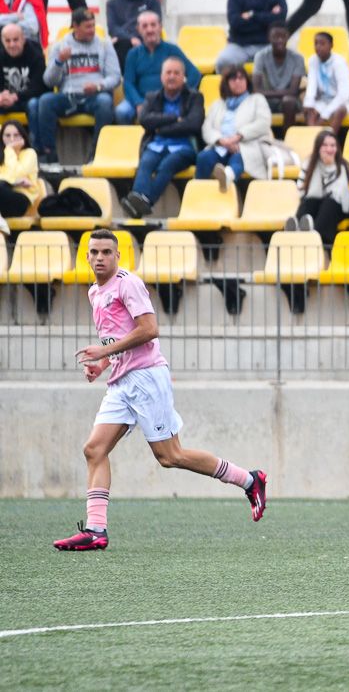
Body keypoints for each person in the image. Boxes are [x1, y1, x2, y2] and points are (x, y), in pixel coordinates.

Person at [54, 229, 268, 552]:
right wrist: (104, 362)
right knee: (94, 449)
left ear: (117, 256)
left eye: (106, 252)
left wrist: (101, 352)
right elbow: (119, 340)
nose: (99, 258)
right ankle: (96, 530)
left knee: (170, 456)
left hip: (147, 379)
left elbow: (149, 329)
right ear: (86, 257)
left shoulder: (129, 284)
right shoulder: (94, 293)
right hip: (121, 381)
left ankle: (250, 480)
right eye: (94, 252)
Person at [116, 57, 202, 219]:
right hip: (156, 145)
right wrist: (173, 118)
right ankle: (138, 199)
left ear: (183, 77)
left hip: (184, 147)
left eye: (176, 73)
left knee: (167, 164)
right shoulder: (152, 97)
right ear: (161, 76)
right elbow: (144, 119)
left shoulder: (194, 97)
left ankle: (145, 201)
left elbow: (193, 124)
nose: (171, 76)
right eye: (168, 72)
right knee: (146, 163)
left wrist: (160, 128)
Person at [34, 7, 117, 165]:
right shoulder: (60, 47)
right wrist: (59, 62)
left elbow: (115, 77)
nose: (92, 30)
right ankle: (50, 158)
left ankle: (97, 155)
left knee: (105, 102)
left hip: (94, 96)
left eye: (93, 25)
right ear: (75, 26)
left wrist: (99, 86)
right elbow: (49, 81)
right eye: (87, 27)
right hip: (69, 97)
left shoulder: (104, 45)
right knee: (45, 101)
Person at [197, 65, 285, 191]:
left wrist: (237, 137)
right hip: (221, 146)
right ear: (226, 83)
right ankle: (201, 195)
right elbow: (207, 128)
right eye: (233, 79)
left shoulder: (257, 100)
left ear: (246, 81)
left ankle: (228, 176)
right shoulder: (217, 104)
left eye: (241, 78)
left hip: (246, 145)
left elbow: (263, 123)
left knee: (238, 158)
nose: (238, 82)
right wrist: (222, 141)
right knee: (203, 157)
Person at [120, 12, 201, 125]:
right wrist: (138, 103)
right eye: (145, 26)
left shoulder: (172, 50)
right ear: (138, 29)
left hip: (167, 100)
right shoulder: (133, 54)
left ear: (160, 27)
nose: (149, 30)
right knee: (121, 112)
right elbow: (128, 83)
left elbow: (194, 74)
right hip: (141, 100)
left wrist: (180, 94)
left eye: (153, 25)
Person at [288, 129, 349, 249]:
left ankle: (315, 237)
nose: (329, 149)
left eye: (332, 145)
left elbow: (339, 194)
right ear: (318, 147)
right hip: (318, 202)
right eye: (325, 145)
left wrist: (331, 165)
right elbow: (304, 191)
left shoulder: (343, 166)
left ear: (337, 147)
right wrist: (319, 166)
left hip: (343, 204)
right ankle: (295, 230)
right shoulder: (309, 164)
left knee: (329, 203)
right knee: (309, 202)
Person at [218, 0, 288, 70]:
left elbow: (279, 23)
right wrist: (267, 17)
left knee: (283, 61)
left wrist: (252, 15)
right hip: (239, 46)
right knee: (224, 61)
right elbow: (235, 23)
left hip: (267, 46)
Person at [104, 0, 160, 67]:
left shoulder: (152, 1)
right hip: (123, 46)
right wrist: (131, 39)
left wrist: (135, 37)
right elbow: (112, 28)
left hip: (147, 43)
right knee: (119, 44)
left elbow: (156, 25)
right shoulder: (112, 3)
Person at [301, 30, 349, 136]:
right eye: (316, 43)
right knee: (309, 110)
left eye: (322, 44)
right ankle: (312, 138)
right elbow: (312, 85)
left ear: (331, 45)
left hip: (344, 102)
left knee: (340, 110)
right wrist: (309, 103)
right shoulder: (313, 60)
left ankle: (329, 139)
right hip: (324, 100)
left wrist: (325, 114)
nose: (318, 47)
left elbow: (343, 95)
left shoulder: (339, 63)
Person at [251, 24, 306, 128]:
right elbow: (256, 90)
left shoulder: (297, 58)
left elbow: (293, 91)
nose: (280, 40)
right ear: (269, 37)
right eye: (276, 36)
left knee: (289, 101)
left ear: (288, 37)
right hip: (266, 100)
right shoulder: (260, 56)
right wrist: (282, 93)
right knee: (255, 101)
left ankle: (287, 138)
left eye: (283, 36)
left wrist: (267, 93)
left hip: (288, 101)